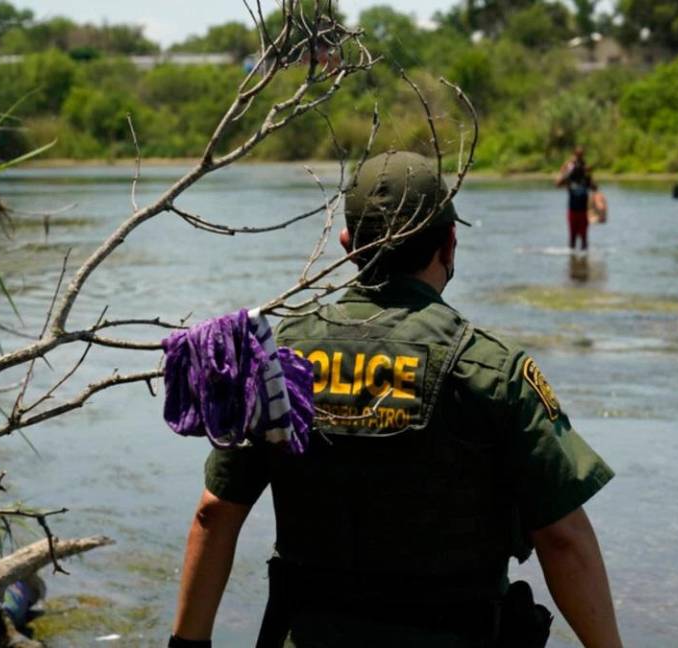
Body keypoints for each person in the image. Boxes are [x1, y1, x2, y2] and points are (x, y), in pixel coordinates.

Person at [170, 151, 622, 648]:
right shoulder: (491, 370)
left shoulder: (277, 361)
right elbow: (563, 539)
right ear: (449, 243)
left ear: (348, 246)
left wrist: (187, 644)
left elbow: (215, 513)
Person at [556, 147, 598, 252]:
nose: (579, 159)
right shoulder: (570, 172)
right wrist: (569, 172)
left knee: (584, 238)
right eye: (577, 156)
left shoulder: (585, 173)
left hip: (583, 211)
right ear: (574, 156)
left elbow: (595, 188)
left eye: (581, 156)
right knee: (572, 238)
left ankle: (584, 258)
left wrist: (588, 174)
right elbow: (557, 184)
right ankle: (573, 260)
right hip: (572, 210)